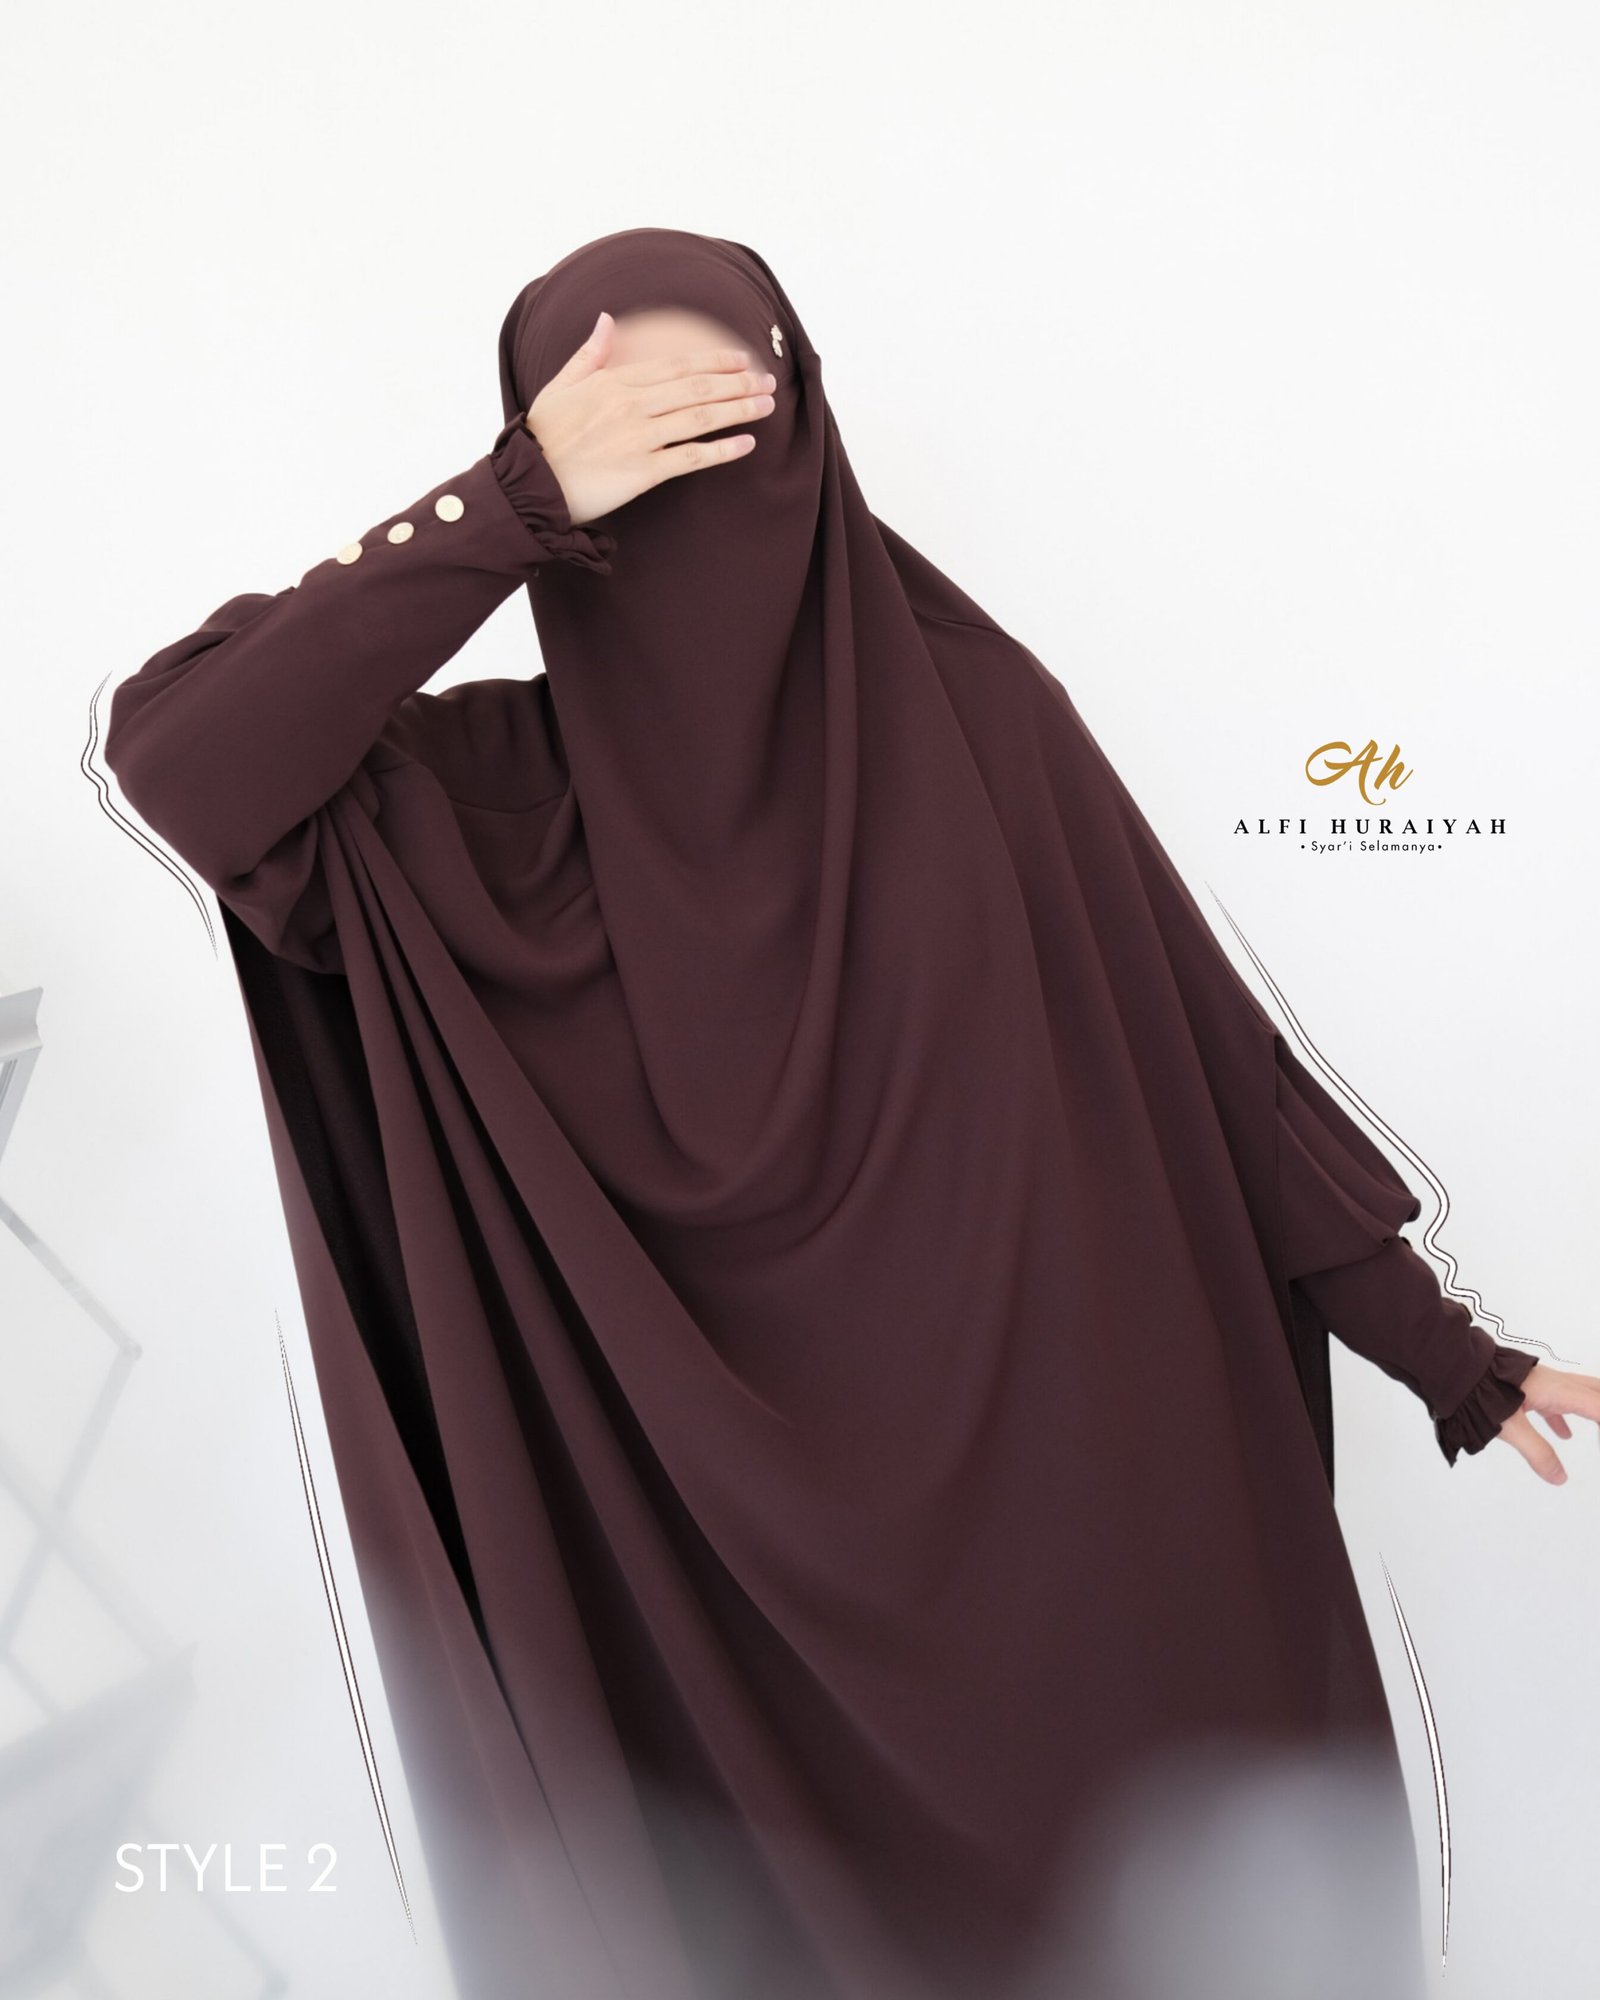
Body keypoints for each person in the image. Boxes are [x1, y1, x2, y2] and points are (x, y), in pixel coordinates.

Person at [103, 228, 1595, 2000]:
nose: (690, 485)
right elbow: (178, 757)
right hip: (704, 1613)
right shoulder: (467, 816)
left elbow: (1207, 1059)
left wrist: (1446, 1354)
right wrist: (496, 512)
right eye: (626, 437)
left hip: (1082, 1538)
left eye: (727, 419)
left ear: (805, 429)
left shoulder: (981, 724)